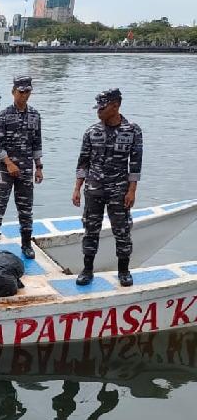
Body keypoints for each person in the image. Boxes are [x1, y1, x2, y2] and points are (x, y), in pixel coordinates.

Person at [72, 88, 142, 287]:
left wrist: (132, 190)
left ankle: (124, 270)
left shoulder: (132, 131)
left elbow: (135, 163)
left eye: (102, 108)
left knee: (122, 230)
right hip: (94, 188)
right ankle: (87, 269)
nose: (98, 111)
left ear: (115, 106)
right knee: (90, 229)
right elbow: (83, 162)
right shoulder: (91, 132)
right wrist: (77, 188)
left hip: (119, 189)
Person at [0, 76, 44, 259]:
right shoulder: (3, 115)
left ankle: (26, 244)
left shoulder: (35, 115)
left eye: (28, 92)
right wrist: (9, 163)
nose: (24, 95)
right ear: (13, 92)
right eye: (21, 92)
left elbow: (37, 143)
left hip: (26, 169)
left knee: (26, 208)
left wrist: (39, 167)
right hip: (5, 170)